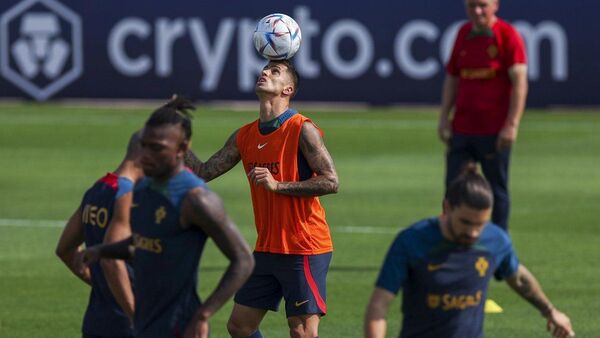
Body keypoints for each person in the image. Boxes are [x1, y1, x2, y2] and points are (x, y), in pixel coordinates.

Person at [184, 59, 339, 338]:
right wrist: (178, 135)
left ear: (288, 89)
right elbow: (202, 172)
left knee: (302, 331)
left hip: (304, 246)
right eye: (264, 69)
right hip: (268, 248)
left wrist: (278, 186)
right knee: (240, 326)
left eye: (275, 71)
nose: (265, 72)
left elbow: (331, 181)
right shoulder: (244, 135)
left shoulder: (302, 128)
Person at [81, 97, 255, 338]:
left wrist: (204, 315)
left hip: (180, 325)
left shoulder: (196, 199)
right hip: (145, 321)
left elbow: (244, 260)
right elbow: (143, 241)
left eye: (158, 148)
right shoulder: (142, 189)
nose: (146, 155)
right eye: (144, 145)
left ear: (182, 149)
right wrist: (103, 251)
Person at [364, 165, 574, 338]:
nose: (473, 233)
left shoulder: (495, 240)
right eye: (465, 222)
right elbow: (379, 306)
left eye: (480, 224)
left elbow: (518, 277)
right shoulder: (412, 241)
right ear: (447, 208)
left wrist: (550, 311)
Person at [438, 0, 528, 231]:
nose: (477, 11)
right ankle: (449, 238)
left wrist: (512, 125)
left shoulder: (507, 35)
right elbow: (453, 77)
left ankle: (499, 245)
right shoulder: (463, 33)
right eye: (471, 6)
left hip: (493, 131)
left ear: (495, 5)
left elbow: (519, 82)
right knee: (453, 187)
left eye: (482, 5)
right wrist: (443, 117)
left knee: (496, 190)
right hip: (463, 128)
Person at [56, 131, 144, 338]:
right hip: (131, 323)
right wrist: (136, 315)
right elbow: (112, 261)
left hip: (98, 319)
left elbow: (65, 250)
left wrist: (103, 286)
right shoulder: (129, 196)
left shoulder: (98, 189)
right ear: (147, 154)